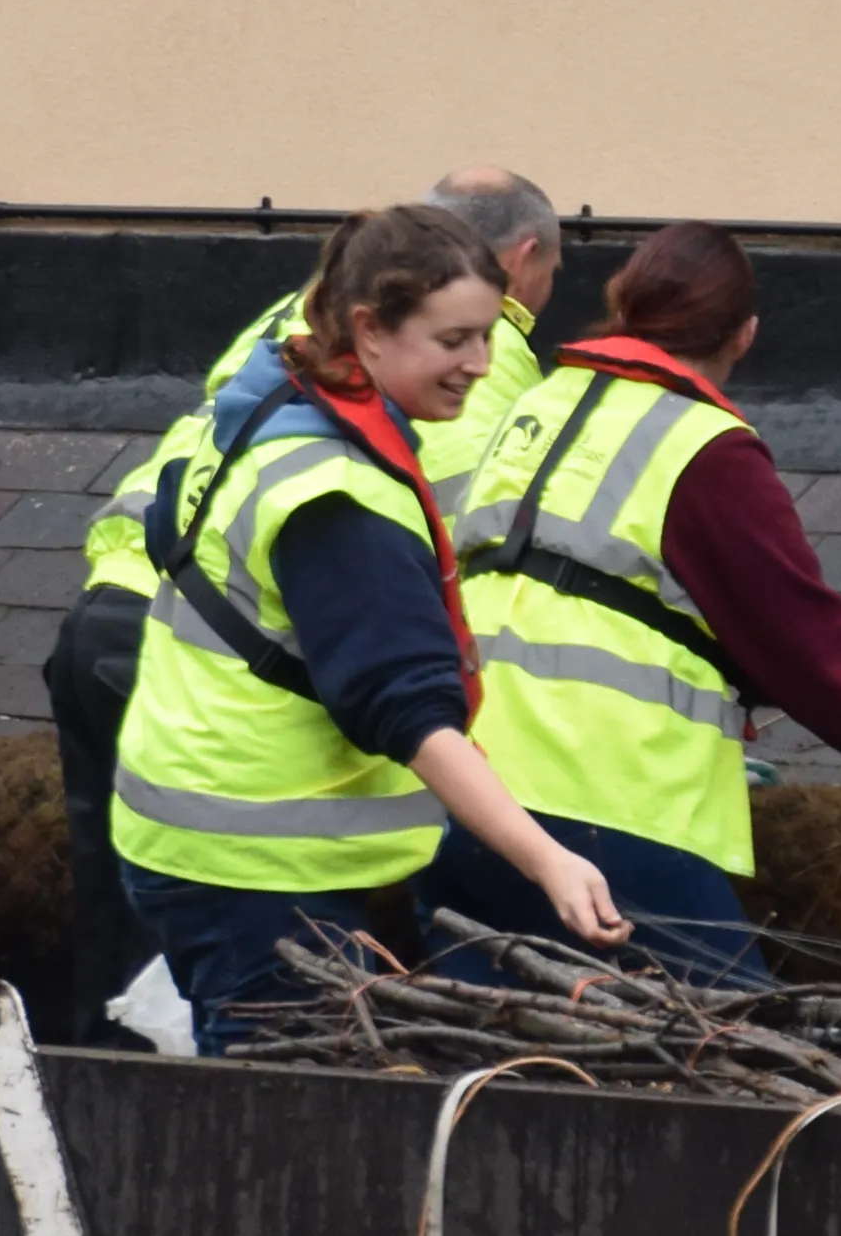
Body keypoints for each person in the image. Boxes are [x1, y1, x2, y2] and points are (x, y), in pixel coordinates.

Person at [430, 219, 841, 990]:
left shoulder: (535, 406)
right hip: (607, 803)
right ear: (744, 334)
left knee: (496, 1051)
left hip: (463, 790)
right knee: (728, 1046)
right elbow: (808, 646)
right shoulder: (703, 446)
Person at [43, 167, 561, 1037]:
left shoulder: (284, 370)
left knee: (152, 1027)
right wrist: (547, 858)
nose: (482, 360)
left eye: (486, 336)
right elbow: (405, 686)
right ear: (371, 327)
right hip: (258, 859)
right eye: (458, 339)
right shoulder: (338, 494)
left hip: (174, 764)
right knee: (278, 1114)